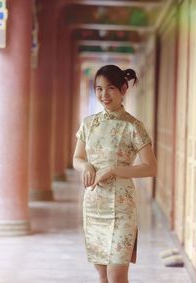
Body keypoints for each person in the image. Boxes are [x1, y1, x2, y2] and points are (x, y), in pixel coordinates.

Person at [73, 65, 157, 283]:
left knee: (117, 275)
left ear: (123, 89)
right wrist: (86, 167)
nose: (104, 95)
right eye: (99, 89)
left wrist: (113, 169)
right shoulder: (88, 124)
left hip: (121, 207)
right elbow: (77, 158)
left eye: (110, 88)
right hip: (94, 205)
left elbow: (151, 167)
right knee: (102, 273)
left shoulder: (133, 127)